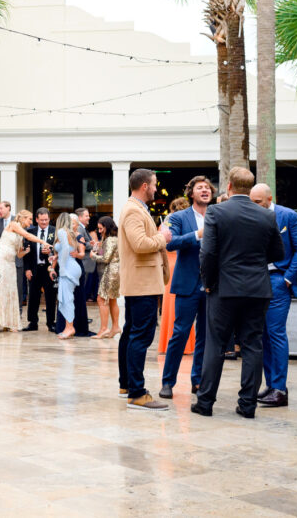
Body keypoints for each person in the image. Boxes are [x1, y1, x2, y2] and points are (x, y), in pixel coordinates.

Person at [193, 167, 284, 419]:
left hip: (224, 289)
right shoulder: (266, 216)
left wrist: (208, 282)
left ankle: (205, 402)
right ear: (250, 188)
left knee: (216, 345)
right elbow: (278, 253)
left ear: (229, 187)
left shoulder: (216, 211)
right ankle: (247, 406)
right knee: (253, 345)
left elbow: (208, 253)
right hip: (258, 289)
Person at [250, 182, 297, 408]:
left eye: (258, 202)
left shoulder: (288, 216)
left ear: (269, 198)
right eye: (251, 202)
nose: (255, 206)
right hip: (256, 280)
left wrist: (288, 278)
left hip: (278, 279)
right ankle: (271, 385)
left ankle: (280, 389)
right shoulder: (253, 217)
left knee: (275, 332)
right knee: (263, 334)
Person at [118, 168, 173, 411]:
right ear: (144, 186)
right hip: (142, 284)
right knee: (140, 335)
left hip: (141, 282)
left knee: (131, 333)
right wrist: (163, 237)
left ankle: (127, 385)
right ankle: (137, 393)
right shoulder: (132, 210)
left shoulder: (137, 208)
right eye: (154, 184)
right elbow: (140, 244)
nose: (155, 188)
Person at [159, 176, 214, 399]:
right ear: (191, 193)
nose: (205, 191)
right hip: (187, 283)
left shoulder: (217, 215)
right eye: (200, 188)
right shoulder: (178, 217)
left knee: (205, 335)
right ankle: (167, 382)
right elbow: (170, 243)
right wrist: (196, 235)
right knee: (180, 333)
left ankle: (198, 380)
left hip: (212, 284)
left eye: (207, 188)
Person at [0, 209, 47, 332]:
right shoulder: (14, 225)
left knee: (11, 290)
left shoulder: (20, 234)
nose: (31, 222)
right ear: (23, 218)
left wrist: (26, 252)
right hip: (2, 260)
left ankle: (8, 322)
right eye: (30, 219)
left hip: (10, 262)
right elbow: (28, 235)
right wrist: (42, 242)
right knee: (1, 290)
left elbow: (19, 254)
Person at [23, 208, 56, 332]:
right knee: (33, 296)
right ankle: (32, 322)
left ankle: (51, 322)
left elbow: (58, 249)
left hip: (48, 269)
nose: (44, 222)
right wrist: (27, 269)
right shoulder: (30, 231)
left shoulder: (54, 231)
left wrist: (50, 252)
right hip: (34, 268)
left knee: (51, 296)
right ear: (36, 219)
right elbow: (26, 252)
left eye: (46, 220)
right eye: (41, 220)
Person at [53, 213, 84, 340]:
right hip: (73, 267)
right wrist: (55, 257)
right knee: (67, 298)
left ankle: (70, 327)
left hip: (68, 269)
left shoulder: (61, 231)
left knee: (67, 299)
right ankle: (68, 327)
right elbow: (66, 250)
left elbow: (65, 249)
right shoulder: (70, 233)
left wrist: (63, 268)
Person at [90, 217, 120, 340]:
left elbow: (106, 258)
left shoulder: (110, 240)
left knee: (101, 298)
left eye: (101, 228)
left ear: (106, 227)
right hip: (117, 270)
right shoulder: (115, 238)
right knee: (112, 299)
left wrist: (93, 256)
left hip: (111, 271)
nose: (99, 231)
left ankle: (104, 329)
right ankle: (115, 327)